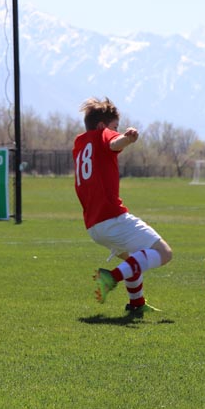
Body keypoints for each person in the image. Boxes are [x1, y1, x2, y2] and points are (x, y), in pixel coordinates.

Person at [73, 97, 173, 315]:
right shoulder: (103, 135)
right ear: (102, 126)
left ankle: (136, 303)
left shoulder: (80, 144)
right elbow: (113, 142)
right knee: (164, 253)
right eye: (114, 127)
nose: (115, 131)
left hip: (94, 226)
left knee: (134, 260)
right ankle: (110, 278)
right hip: (112, 218)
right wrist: (127, 138)